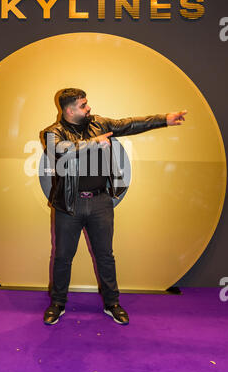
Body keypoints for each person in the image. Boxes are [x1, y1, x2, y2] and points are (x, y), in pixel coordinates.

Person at [41, 88, 187, 325]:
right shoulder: (51, 133)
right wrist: (93, 143)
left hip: (100, 202)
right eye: (83, 105)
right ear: (69, 110)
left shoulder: (99, 123)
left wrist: (164, 120)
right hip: (69, 205)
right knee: (63, 257)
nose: (89, 108)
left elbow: (130, 124)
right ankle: (57, 303)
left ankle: (112, 303)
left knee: (105, 256)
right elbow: (60, 151)